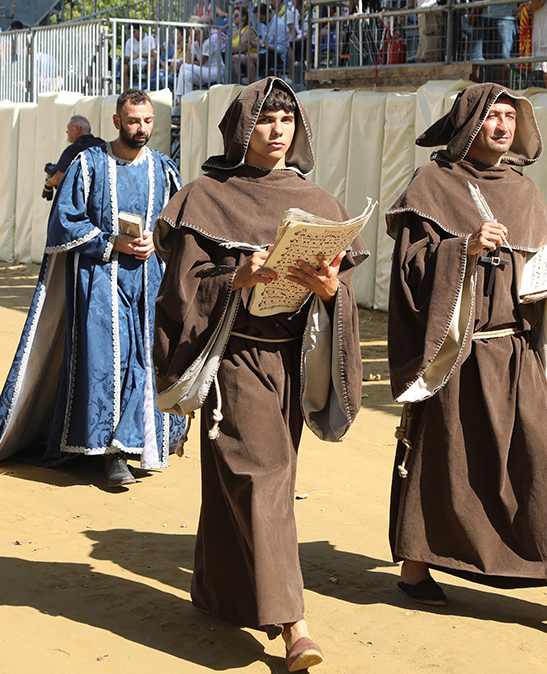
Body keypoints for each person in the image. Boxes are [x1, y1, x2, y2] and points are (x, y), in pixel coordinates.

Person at [385, 83, 547, 628]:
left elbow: (538, 277)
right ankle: (416, 569)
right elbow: (408, 271)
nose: (503, 126)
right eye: (492, 116)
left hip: (513, 350)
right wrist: (460, 249)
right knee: (444, 461)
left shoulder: (526, 192)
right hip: (455, 349)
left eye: (510, 117)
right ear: (469, 122)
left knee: (543, 461)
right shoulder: (432, 184)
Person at [153, 77, 364, 671]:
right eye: (265, 119)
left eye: (287, 120)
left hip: (292, 362)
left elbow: (339, 286)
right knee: (263, 477)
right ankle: (294, 625)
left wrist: (330, 290)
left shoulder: (319, 202)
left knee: (246, 482)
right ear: (241, 129)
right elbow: (181, 291)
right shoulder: (205, 196)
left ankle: (220, 593)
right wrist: (235, 279)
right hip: (235, 356)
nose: (277, 130)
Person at [0, 90, 185, 487]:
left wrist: (159, 241)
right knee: (107, 362)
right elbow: (64, 223)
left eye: (148, 121)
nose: (142, 128)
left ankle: (140, 442)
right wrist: (112, 241)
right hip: (100, 280)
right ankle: (109, 453)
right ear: (117, 122)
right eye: (134, 121)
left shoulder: (165, 168)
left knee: (146, 360)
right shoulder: (89, 164)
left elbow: (180, 224)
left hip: (149, 280)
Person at [43, 114, 105, 194]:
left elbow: (59, 178)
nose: (67, 132)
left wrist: (50, 182)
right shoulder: (102, 144)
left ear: (77, 129)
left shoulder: (74, 149)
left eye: (68, 129)